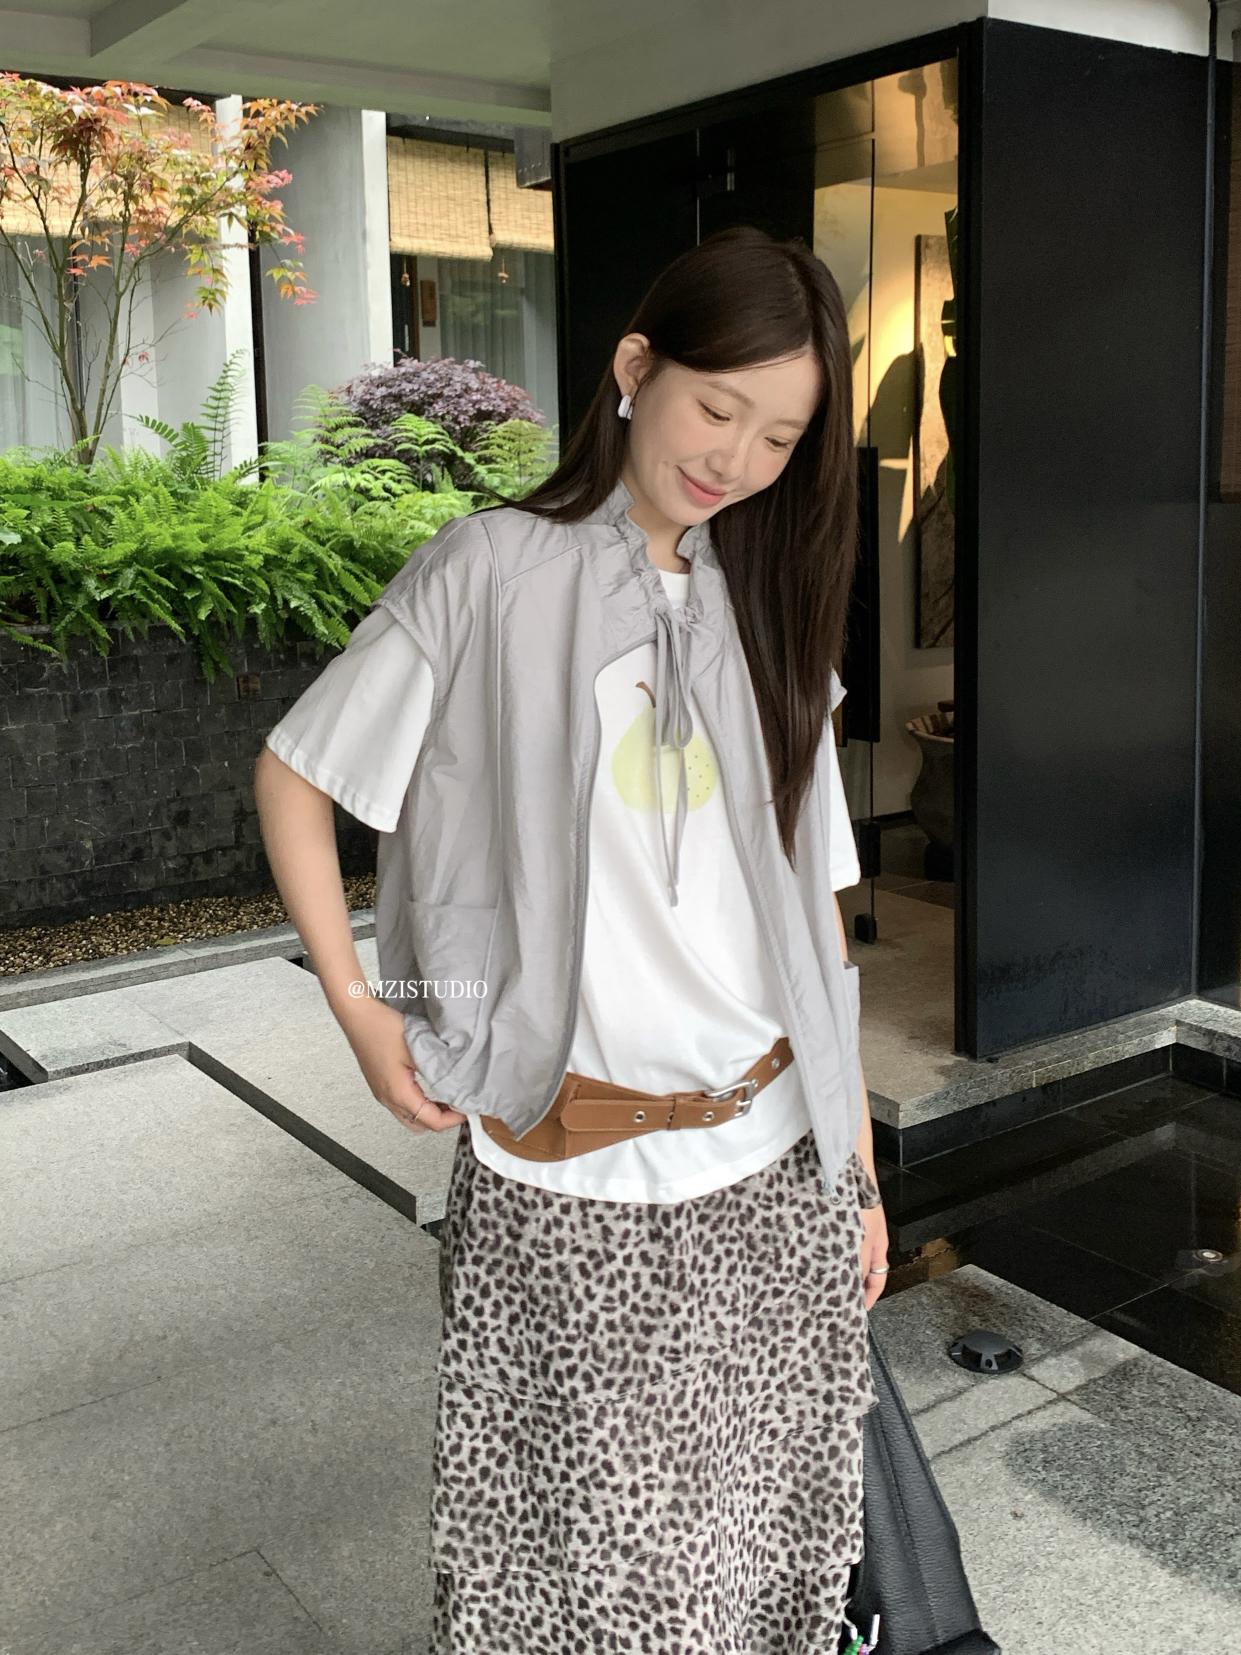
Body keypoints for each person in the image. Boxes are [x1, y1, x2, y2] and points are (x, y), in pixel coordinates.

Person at [254, 222, 890, 1653]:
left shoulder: (770, 607)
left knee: (763, 1561)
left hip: (772, 1166)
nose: (737, 458)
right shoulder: (491, 568)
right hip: (568, 1173)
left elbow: (816, 925)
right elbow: (296, 776)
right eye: (718, 407)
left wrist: (854, 1175)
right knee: (587, 1585)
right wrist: (362, 1011)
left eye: (780, 437)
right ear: (635, 366)